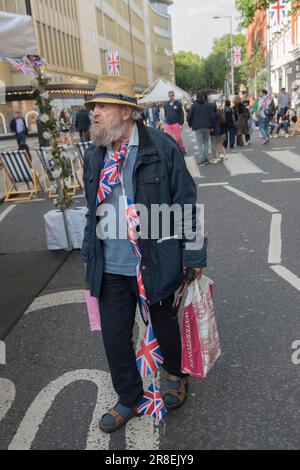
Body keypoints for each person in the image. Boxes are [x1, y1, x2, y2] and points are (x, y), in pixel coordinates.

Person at [82, 75, 207, 434]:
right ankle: (129, 396)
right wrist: (90, 253)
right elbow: (92, 209)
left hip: (154, 259)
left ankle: (175, 376)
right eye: (94, 108)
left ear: (125, 111)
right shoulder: (96, 155)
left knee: (165, 328)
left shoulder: (160, 147)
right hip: (111, 265)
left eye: (102, 107)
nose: (95, 113)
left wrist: (194, 256)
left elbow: (185, 203)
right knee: (115, 336)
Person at [188, 90, 214, 166]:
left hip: (197, 126)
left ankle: (201, 159)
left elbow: (189, 116)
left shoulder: (194, 105)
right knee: (206, 142)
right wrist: (212, 126)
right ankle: (206, 158)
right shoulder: (208, 105)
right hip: (207, 126)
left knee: (199, 143)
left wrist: (190, 124)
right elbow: (212, 116)